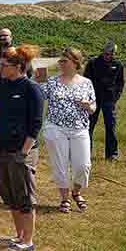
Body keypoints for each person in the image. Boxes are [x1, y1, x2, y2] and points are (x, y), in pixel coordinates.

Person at [0, 44, 44, 251]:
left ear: (18, 66)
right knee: (9, 193)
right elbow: (0, 117)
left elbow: (36, 124)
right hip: (1, 148)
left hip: (22, 151)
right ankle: (19, 235)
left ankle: (28, 242)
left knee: (24, 196)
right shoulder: (2, 86)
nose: (0, 69)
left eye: (4, 65)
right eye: (0, 65)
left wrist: (24, 152)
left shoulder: (32, 89)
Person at [42, 48, 96, 212]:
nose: (61, 64)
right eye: (60, 61)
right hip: (55, 127)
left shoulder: (86, 83)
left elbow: (93, 107)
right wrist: (39, 79)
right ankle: (64, 198)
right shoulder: (52, 82)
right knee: (61, 164)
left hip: (80, 128)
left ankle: (76, 191)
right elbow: (39, 95)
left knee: (83, 165)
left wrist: (88, 106)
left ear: (75, 63)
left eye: (64, 61)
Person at [86, 42, 125, 161]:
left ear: (114, 54)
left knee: (111, 126)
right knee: (89, 126)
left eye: (111, 54)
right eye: (107, 53)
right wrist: (88, 97)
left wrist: (115, 97)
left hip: (109, 100)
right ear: (103, 52)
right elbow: (86, 81)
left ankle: (112, 154)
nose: (108, 56)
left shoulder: (118, 65)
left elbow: (120, 83)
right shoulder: (93, 63)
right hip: (93, 99)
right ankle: (86, 153)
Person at [0, 27, 32, 112]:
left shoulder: (18, 53)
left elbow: (28, 69)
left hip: (16, 88)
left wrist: (26, 84)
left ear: (11, 37)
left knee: (16, 112)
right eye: (1, 36)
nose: (2, 37)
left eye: (5, 35)